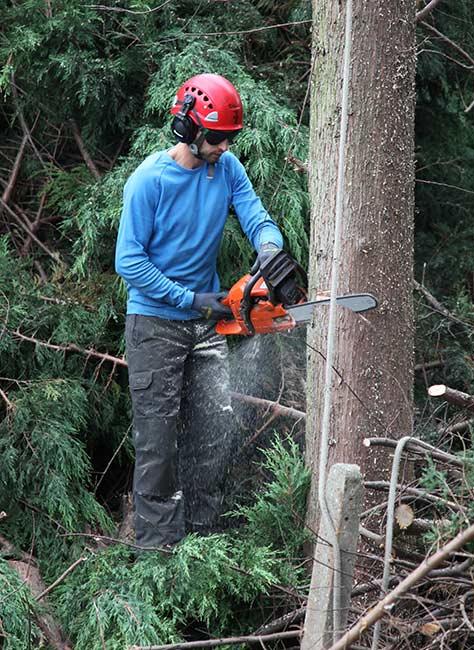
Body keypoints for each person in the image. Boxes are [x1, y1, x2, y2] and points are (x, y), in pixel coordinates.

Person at [115, 73, 283, 549]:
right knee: (157, 445)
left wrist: (269, 250)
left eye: (230, 140)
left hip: (206, 323)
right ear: (188, 129)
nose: (224, 148)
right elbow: (128, 261)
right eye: (216, 139)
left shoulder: (227, 170)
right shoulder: (149, 181)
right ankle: (158, 554)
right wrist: (188, 298)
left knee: (212, 433)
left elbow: (256, 216)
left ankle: (203, 544)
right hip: (154, 324)